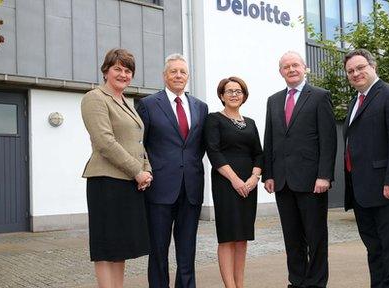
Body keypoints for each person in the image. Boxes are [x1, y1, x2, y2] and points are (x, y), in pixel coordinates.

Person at [263, 51, 337, 288]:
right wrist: (269, 174)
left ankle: (315, 283)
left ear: (305, 68)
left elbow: (328, 140)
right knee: (292, 238)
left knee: (315, 237)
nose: (291, 69)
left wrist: (324, 175)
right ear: (280, 72)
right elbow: (271, 139)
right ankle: (296, 281)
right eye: (286, 66)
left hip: (312, 181)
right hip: (283, 182)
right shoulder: (273, 100)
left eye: (295, 65)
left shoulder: (319, 96)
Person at [81, 48, 152, 288]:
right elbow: (104, 142)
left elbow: (139, 142)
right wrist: (137, 170)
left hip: (129, 182)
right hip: (106, 181)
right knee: (106, 247)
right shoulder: (95, 98)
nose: (123, 74)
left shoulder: (127, 102)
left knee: (121, 246)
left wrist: (147, 169)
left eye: (128, 70)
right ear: (106, 71)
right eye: (118, 69)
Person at [136, 53, 208, 288]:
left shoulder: (200, 107)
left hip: (191, 188)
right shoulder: (148, 104)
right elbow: (140, 146)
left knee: (187, 251)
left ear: (188, 76)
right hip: (159, 189)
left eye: (182, 72)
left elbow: (202, 146)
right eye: (173, 71)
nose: (178, 75)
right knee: (158, 250)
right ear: (164, 75)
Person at [343, 48, 389, 288]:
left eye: (361, 67)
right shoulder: (355, 101)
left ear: (373, 67)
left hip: (386, 188)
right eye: (350, 71)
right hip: (362, 191)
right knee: (374, 249)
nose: (356, 73)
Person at [204, 77, 263, 288]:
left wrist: (254, 178)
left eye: (238, 91)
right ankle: (230, 286)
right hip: (226, 184)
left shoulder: (251, 123)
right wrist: (236, 180)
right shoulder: (214, 120)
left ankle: (240, 284)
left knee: (242, 237)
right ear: (221, 95)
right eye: (229, 91)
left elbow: (258, 153)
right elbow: (214, 152)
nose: (234, 94)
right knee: (228, 237)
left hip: (249, 185)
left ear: (244, 95)